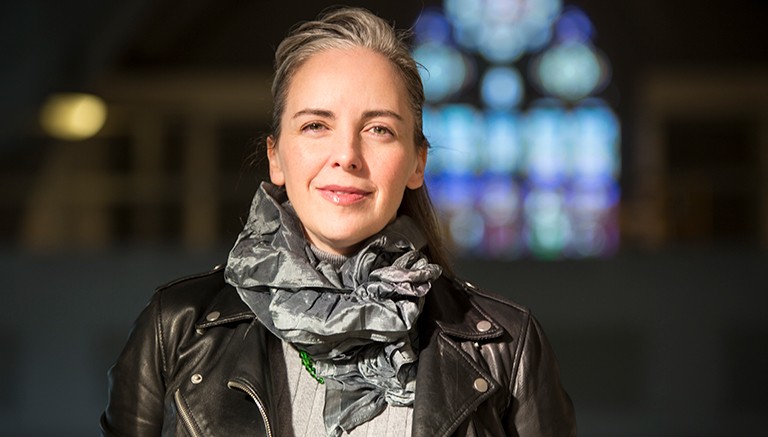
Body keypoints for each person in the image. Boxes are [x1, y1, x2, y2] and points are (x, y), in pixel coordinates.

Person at [100, 6, 576, 437]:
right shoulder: (176, 329)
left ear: (416, 163)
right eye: (315, 126)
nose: (346, 156)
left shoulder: (506, 348)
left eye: (379, 130)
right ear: (276, 158)